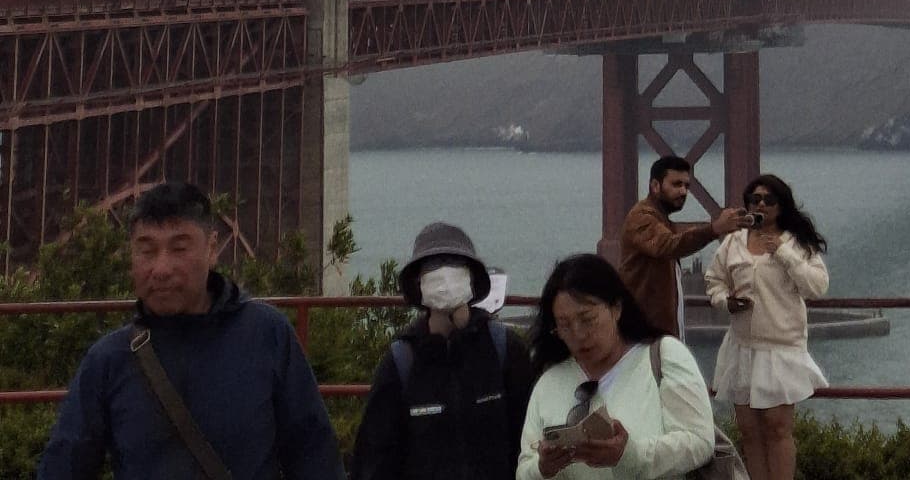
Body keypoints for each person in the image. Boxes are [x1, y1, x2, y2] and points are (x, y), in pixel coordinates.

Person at [38, 179, 342, 480]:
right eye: (146, 250)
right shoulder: (108, 359)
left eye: (179, 248)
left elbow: (314, 455)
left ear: (212, 249)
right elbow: (64, 464)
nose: (161, 269)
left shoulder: (266, 334)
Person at [351, 220, 533, 479]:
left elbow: (529, 442)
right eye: (432, 266)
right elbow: (375, 458)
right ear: (418, 284)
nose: (444, 274)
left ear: (472, 277)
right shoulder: (401, 362)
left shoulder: (504, 350)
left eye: (454, 264)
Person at [516, 253, 714, 479]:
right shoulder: (550, 381)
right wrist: (544, 468)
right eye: (565, 326)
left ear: (616, 309)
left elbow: (699, 441)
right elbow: (524, 471)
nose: (579, 334)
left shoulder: (663, 356)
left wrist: (629, 455)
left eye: (588, 319)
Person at [704, 174, 828, 480]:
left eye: (768, 200)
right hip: (741, 347)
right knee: (749, 431)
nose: (760, 204)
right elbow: (714, 281)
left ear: (781, 205)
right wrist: (725, 301)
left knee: (777, 428)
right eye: (754, 199)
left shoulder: (796, 242)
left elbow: (817, 287)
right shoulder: (733, 241)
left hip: (780, 347)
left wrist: (784, 254)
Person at [617, 154, 747, 338]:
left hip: (656, 332)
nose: (684, 192)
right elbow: (669, 245)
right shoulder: (642, 218)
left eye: (687, 186)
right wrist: (714, 229)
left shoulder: (661, 220)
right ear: (655, 186)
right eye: (676, 184)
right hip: (644, 334)